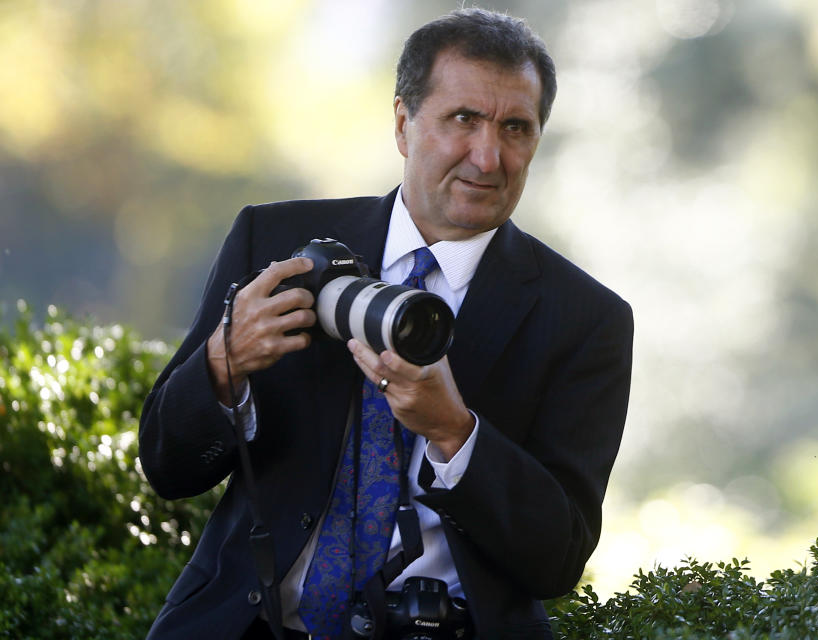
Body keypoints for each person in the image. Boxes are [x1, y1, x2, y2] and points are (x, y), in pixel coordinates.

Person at [139, 8, 633, 639]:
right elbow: (166, 467)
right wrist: (220, 365)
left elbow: (558, 557)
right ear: (403, 124)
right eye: (464, 120)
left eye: (516, 128)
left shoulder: (587, 320)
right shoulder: (273, 241)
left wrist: (455, 433)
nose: (488, 156)